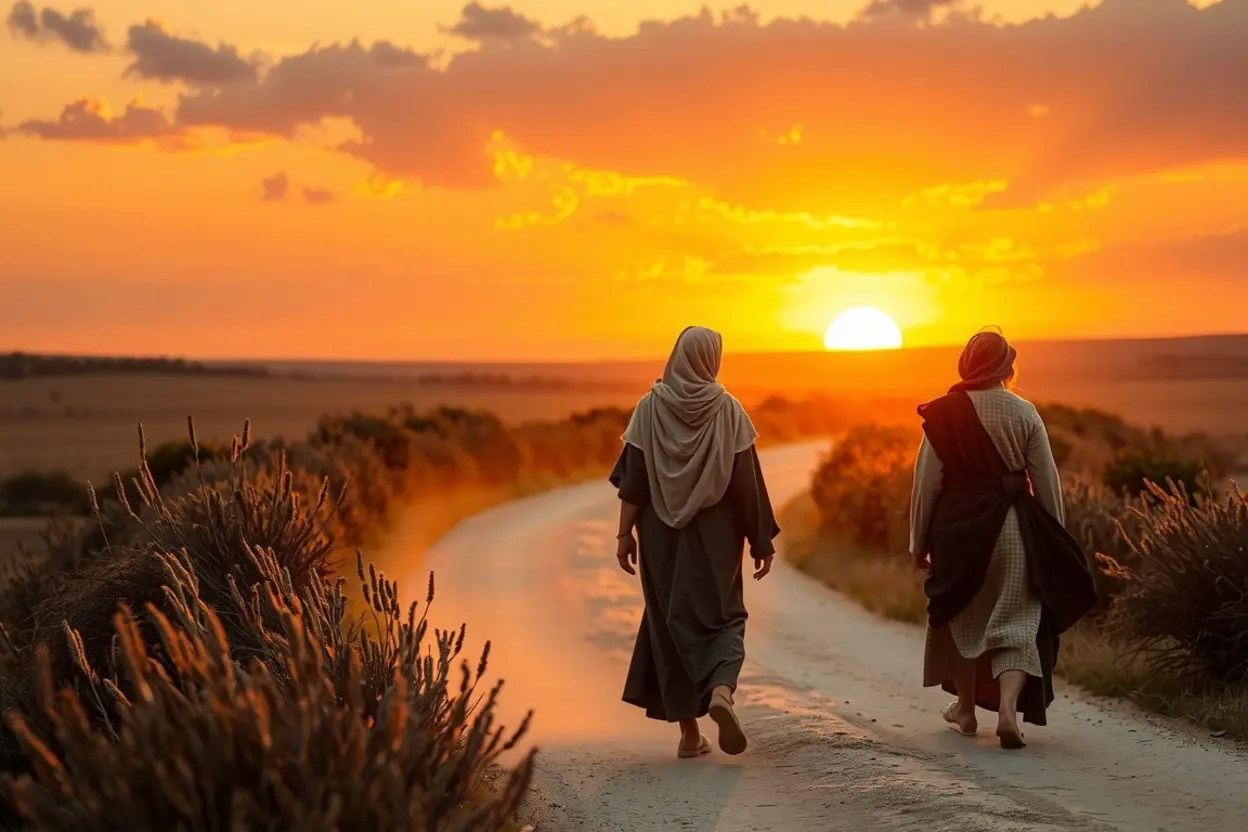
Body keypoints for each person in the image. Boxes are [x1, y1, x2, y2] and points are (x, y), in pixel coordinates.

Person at [909, 329, 1097, 749]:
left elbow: (928, 484)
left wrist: (918, 541)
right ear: (1007, 369)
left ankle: (966, 709)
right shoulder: (1025, 412)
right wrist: (1054, 536)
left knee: (960, 617)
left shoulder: (944, 414)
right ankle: (1009, 711)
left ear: (965, 363)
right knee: (1016, 624)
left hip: (957, 533)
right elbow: (1046, 480)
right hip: (1015, 530)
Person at [609, 325, 780, 759]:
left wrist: (624, 533)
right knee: (724, 617)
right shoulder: (729, 410)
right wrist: (761, 542)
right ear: (711, 360)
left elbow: (633, 481)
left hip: (660, 535)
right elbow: (747, 484)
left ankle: (689, 735)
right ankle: (722, 691)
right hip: (717, 535)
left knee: (668, 621)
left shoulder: (647, 409)